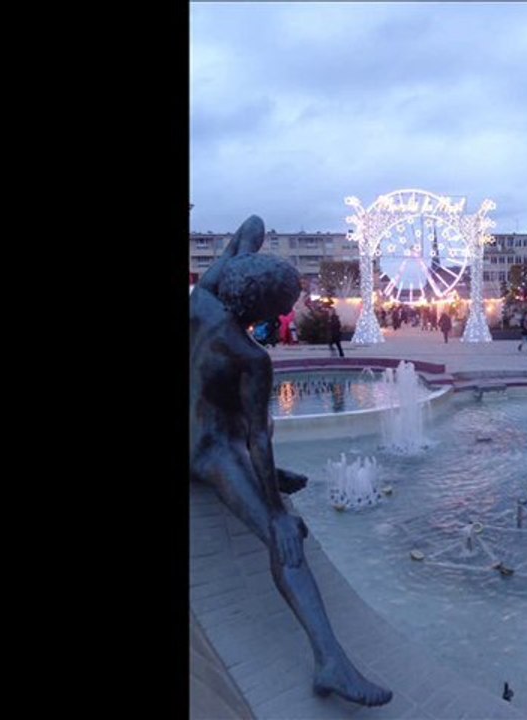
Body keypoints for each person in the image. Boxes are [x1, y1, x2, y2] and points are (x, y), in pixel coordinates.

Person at [190, 215, 392, 707]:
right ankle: (330, 661)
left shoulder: (204, 298)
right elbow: (258, 438)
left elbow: (251, 225)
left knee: (244, 424)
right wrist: (277, 512)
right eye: (281, 307)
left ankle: (262, 481)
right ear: (261, 309)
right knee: (286, 544)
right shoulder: (249, 357)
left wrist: (244, 259)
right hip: (208, 452)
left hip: (201, 428)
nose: (284, 314)